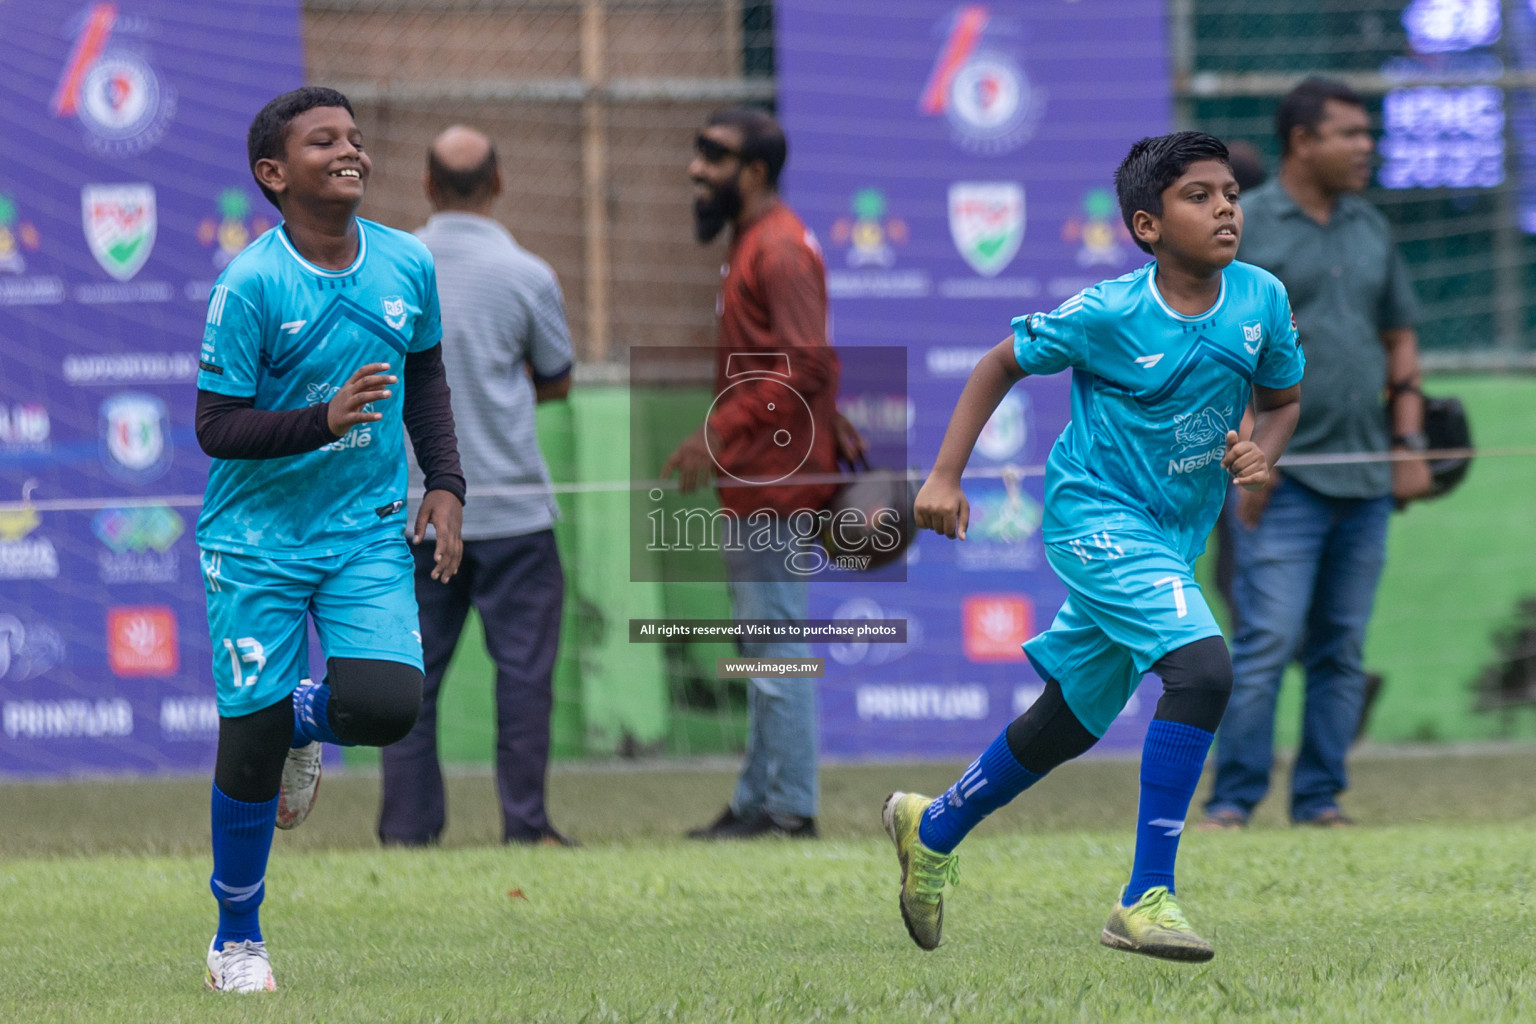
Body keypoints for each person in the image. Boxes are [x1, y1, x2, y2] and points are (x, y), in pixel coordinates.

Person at [883, 131, 1303, 961]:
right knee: (1204, 669)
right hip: (1095, 519)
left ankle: (932, 827)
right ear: (1147, 225)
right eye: (1199, 196)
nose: (1225, 207)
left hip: (1173, 534)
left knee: (1071, 720)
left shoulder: (1262, 299)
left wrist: (1265, 449)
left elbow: (1282, 399)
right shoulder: (1107, 312)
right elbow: (997, 365)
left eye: (1230, 193)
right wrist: (943, 477)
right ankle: (1146, 897)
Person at [195, 86, 464, 993]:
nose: (350, 151)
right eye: (323, 143)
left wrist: (448, 486)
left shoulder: (406, 262)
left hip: (364, 530)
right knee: (246, 740)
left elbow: (425, 378)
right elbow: (216, 427)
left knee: (388, 705)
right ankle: (238, 940)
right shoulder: (251, 284)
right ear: (275, 174)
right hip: (256, 541)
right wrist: (320, 418)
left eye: (353, 139)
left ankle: (300, 724)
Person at [1202, 77, 1431, 831]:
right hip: (1283, 478)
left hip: (1364, 476)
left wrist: (1408, 444)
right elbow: (1224, 351)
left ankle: (1319, 799)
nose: (1367, 147)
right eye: (1350, 134)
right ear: (1302, 142)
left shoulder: (1372, 229)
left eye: (1368, 134)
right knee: (1265, 642)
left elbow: (1399, 337)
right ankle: (1233, 801)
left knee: (1340, 648)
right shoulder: (1247, 226)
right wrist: (1250, 457)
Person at [664, 107, 862, 840]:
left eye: (712, 157)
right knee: (760, 645)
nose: (696, 169)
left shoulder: (777, 247)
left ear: (753, 172)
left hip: (772, 480)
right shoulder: (755, 241)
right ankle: (758, 801)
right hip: (758, 475)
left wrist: (715, 430)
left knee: (776, 645)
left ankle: (791, 809)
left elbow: (808, 363)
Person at [377, 126, 576, 849]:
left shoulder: (392, 269)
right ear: (498, 184)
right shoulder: (528, 273)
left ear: (428, 186)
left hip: (417, 513)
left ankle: (407, 833)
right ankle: (526, 827)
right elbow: (556, 380)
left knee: (411, 679)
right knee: (523, 680)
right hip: (514, 507)